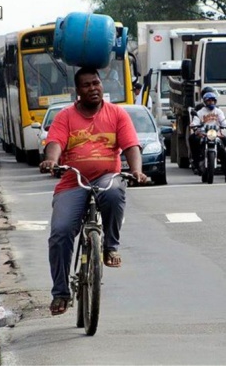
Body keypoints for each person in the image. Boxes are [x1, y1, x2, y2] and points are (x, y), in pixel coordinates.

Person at [39, 67, 148, 316]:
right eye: (87, 85)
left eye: (96, 83)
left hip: (105, 176)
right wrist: (52, 161)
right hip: (73, 181)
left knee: (113, 192)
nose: (93, 88)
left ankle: (110, 247)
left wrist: (137, 171)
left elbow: (131, 145)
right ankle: (61, 293)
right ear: (77, 91)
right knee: (61, 232)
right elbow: (54, 143)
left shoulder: (117, 114)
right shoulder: (65, 117)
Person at [188, 92, 226, 183]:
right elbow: (195, 121)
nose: (211, 102)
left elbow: (223, 121)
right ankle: (196, 163)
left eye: (213, 101)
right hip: (203, 134)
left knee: (224, 152)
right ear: (205, 102)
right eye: (209, 101)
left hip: (215, 134)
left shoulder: (218, 111)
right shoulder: (200, 112)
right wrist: (193, 125)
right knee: (193, 139)